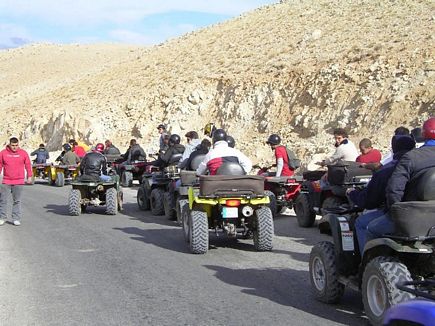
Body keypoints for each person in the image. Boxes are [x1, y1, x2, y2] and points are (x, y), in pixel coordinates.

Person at [366, 118, 435, 242]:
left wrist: (396, 213)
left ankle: (367, 261)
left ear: (423, 134)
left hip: (413, 217)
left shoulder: (411, 157)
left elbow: (394, 189)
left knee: (369, 228)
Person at [347, 135, 416, 253]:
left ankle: (367, 262)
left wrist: (353, 193)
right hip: (426, 216)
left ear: (394, 150)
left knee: (361, 223)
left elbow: (369, 201)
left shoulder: (387, 170)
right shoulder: (421, 166)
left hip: (400, 216)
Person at [0, 137, 33, 226]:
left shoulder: (23, 153)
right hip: (6, 180)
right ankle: (2, 218)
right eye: (13, 145)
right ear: (9, 144)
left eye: (16, 145)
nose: (14, 147)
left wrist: (29, 176)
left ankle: (16, 218)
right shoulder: (3, 153)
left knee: (17, 201)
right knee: (3, 200)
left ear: (18, 145)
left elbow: (28, 165)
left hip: (19, 181)